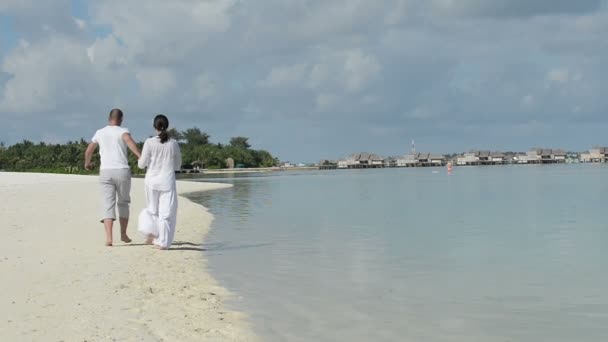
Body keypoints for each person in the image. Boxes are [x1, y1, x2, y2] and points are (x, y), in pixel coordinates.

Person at [85, 108, 141, 246]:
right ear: (121, 119)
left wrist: (87, 162)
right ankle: (123, 234)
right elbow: (129, 142)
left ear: (109, 118)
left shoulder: (100, 132)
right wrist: (141, 156)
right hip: (122, 170)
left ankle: (109, 238)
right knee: (123, 203)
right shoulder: (123, 131)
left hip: (105, 171)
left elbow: (89, 149)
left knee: (107, 204)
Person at [137, 114, 182, 250]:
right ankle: (163, 241)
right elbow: (178, 164)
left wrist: (140, 161)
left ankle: (152, 234)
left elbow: (141, 164)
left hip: (151, 181)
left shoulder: (149, 142)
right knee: (166, 213)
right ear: (167, 126)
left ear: (154, 126)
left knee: (152, 210)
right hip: (167, 181)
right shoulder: (173, 143)